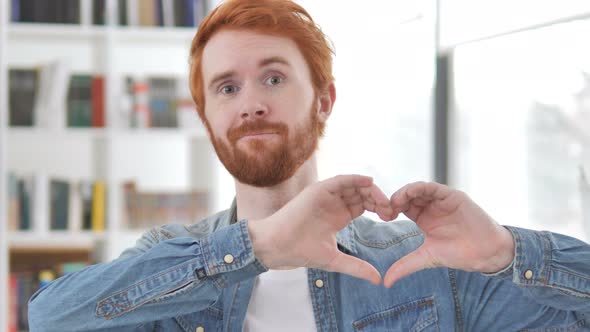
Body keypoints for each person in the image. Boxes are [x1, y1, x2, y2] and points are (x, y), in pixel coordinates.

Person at [28, 0, 590, 331]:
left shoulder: (424, 265)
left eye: (273, 77)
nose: (250, 101)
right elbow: (51, 318)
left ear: (324, 99)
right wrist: (255, 248)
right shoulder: (169, 264)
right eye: (226, 87)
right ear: (206, 118)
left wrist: (507, 254)